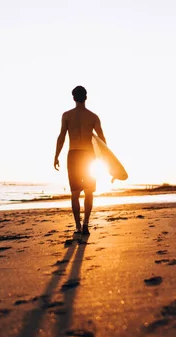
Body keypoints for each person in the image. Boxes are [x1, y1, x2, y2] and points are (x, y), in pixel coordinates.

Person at [54, 86, 106, 235]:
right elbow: (102, 139)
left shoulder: (67, 116)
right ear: (86, 97)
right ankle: (86, 224)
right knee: (89, 192)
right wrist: (106, 159)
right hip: (89, 156)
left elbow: (62, 137)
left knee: (75, 193)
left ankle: (77, 226)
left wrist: (56, 156)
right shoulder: (93, 117)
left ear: (73, 98)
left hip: (74, 155)